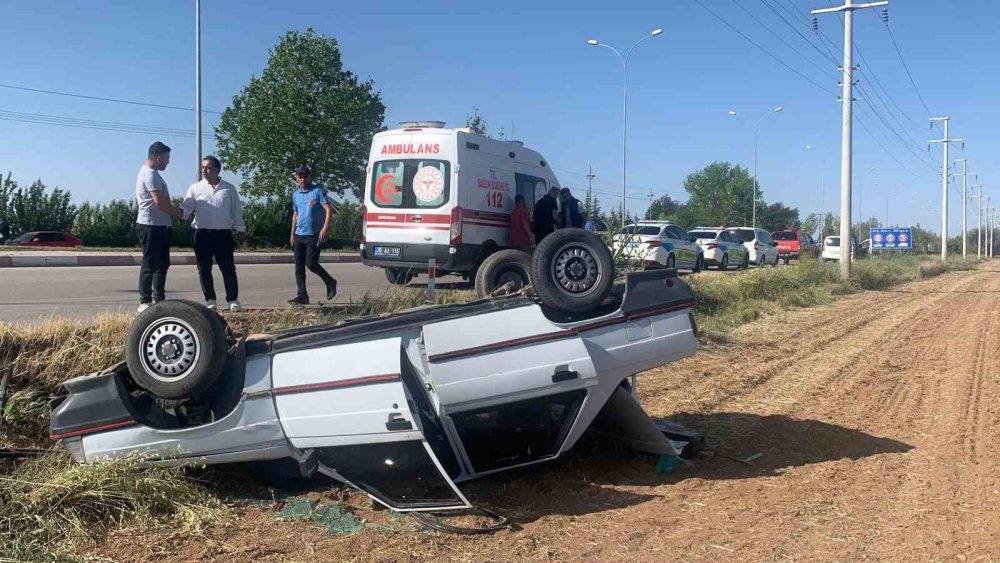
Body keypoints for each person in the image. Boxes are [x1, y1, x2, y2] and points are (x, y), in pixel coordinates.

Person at [180, 156, 246, 312]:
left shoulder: (228, 188)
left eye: (208, 168)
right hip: (201, 234)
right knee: (204, 268)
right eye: (203, 167)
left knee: (228, 268)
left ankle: (233, 300)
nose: (204, 170)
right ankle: (210, 300)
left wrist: (240, 230)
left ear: (217, 169)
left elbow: (236, 211)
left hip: (222, 234)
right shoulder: (195, 188)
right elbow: (186, 209)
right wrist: (173, 210)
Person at [135, 141, 184, 312]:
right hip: (150, 226)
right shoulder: (150, 174)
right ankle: (145, 301)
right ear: (157, 157)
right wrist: (178, 212)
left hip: (160, 226)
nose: (168, 162)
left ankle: (159, 298)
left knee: (162, 264)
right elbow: (160, 203)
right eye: (166, 158)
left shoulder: (153, 173)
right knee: (150, 264)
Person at [288, 165, 338, 305]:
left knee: (311, 264)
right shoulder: (296, 195)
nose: (303, 179)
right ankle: (302, 295)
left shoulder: (317, 192)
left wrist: (325, 229)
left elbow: (328, 210)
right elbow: (295, 214)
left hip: (313, 235)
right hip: (299, 234)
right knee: (299, 267)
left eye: (305, 176)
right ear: (297, 179)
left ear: (310, 177)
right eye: (300, 177)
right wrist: (292, 234)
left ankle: (330, 281)